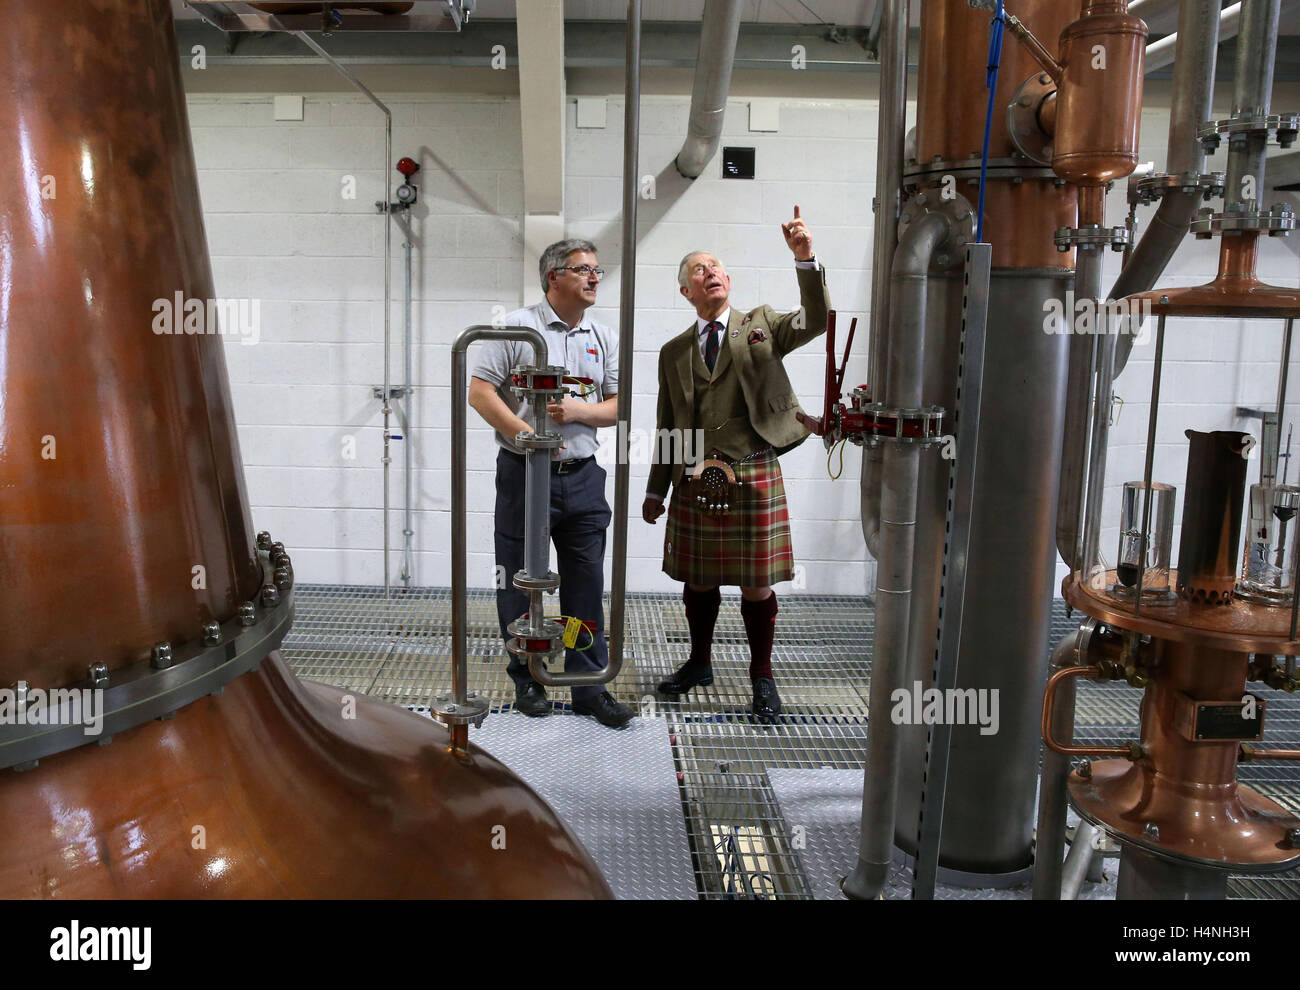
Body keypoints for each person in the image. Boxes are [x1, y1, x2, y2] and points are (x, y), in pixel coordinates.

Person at [642, 206, 829, 720]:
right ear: (686, 291)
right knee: (697, 578)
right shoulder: (674, 351)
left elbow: (816, 321)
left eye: (717, 266)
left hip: (753, 468)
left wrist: (805, 260)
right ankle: (699, 663)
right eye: (700, 270)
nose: (712, 272)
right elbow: (667, 423)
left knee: (756, 581)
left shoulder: (761, 325)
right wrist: (657, 488)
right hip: (696, 477)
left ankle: (762, 677)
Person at [469, 238, 632, 728]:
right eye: (584, 270)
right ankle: (528, 676)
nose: (595, 277)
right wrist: (528, 437)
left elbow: (620, 404)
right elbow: (479, 393)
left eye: (598, 270)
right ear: (553, 277)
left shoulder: (603, 336)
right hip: (524, 475)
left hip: (582, 478)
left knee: (584, 581)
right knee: (520, 577)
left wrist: (583, 410)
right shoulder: (516, 327)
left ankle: (587, 685)